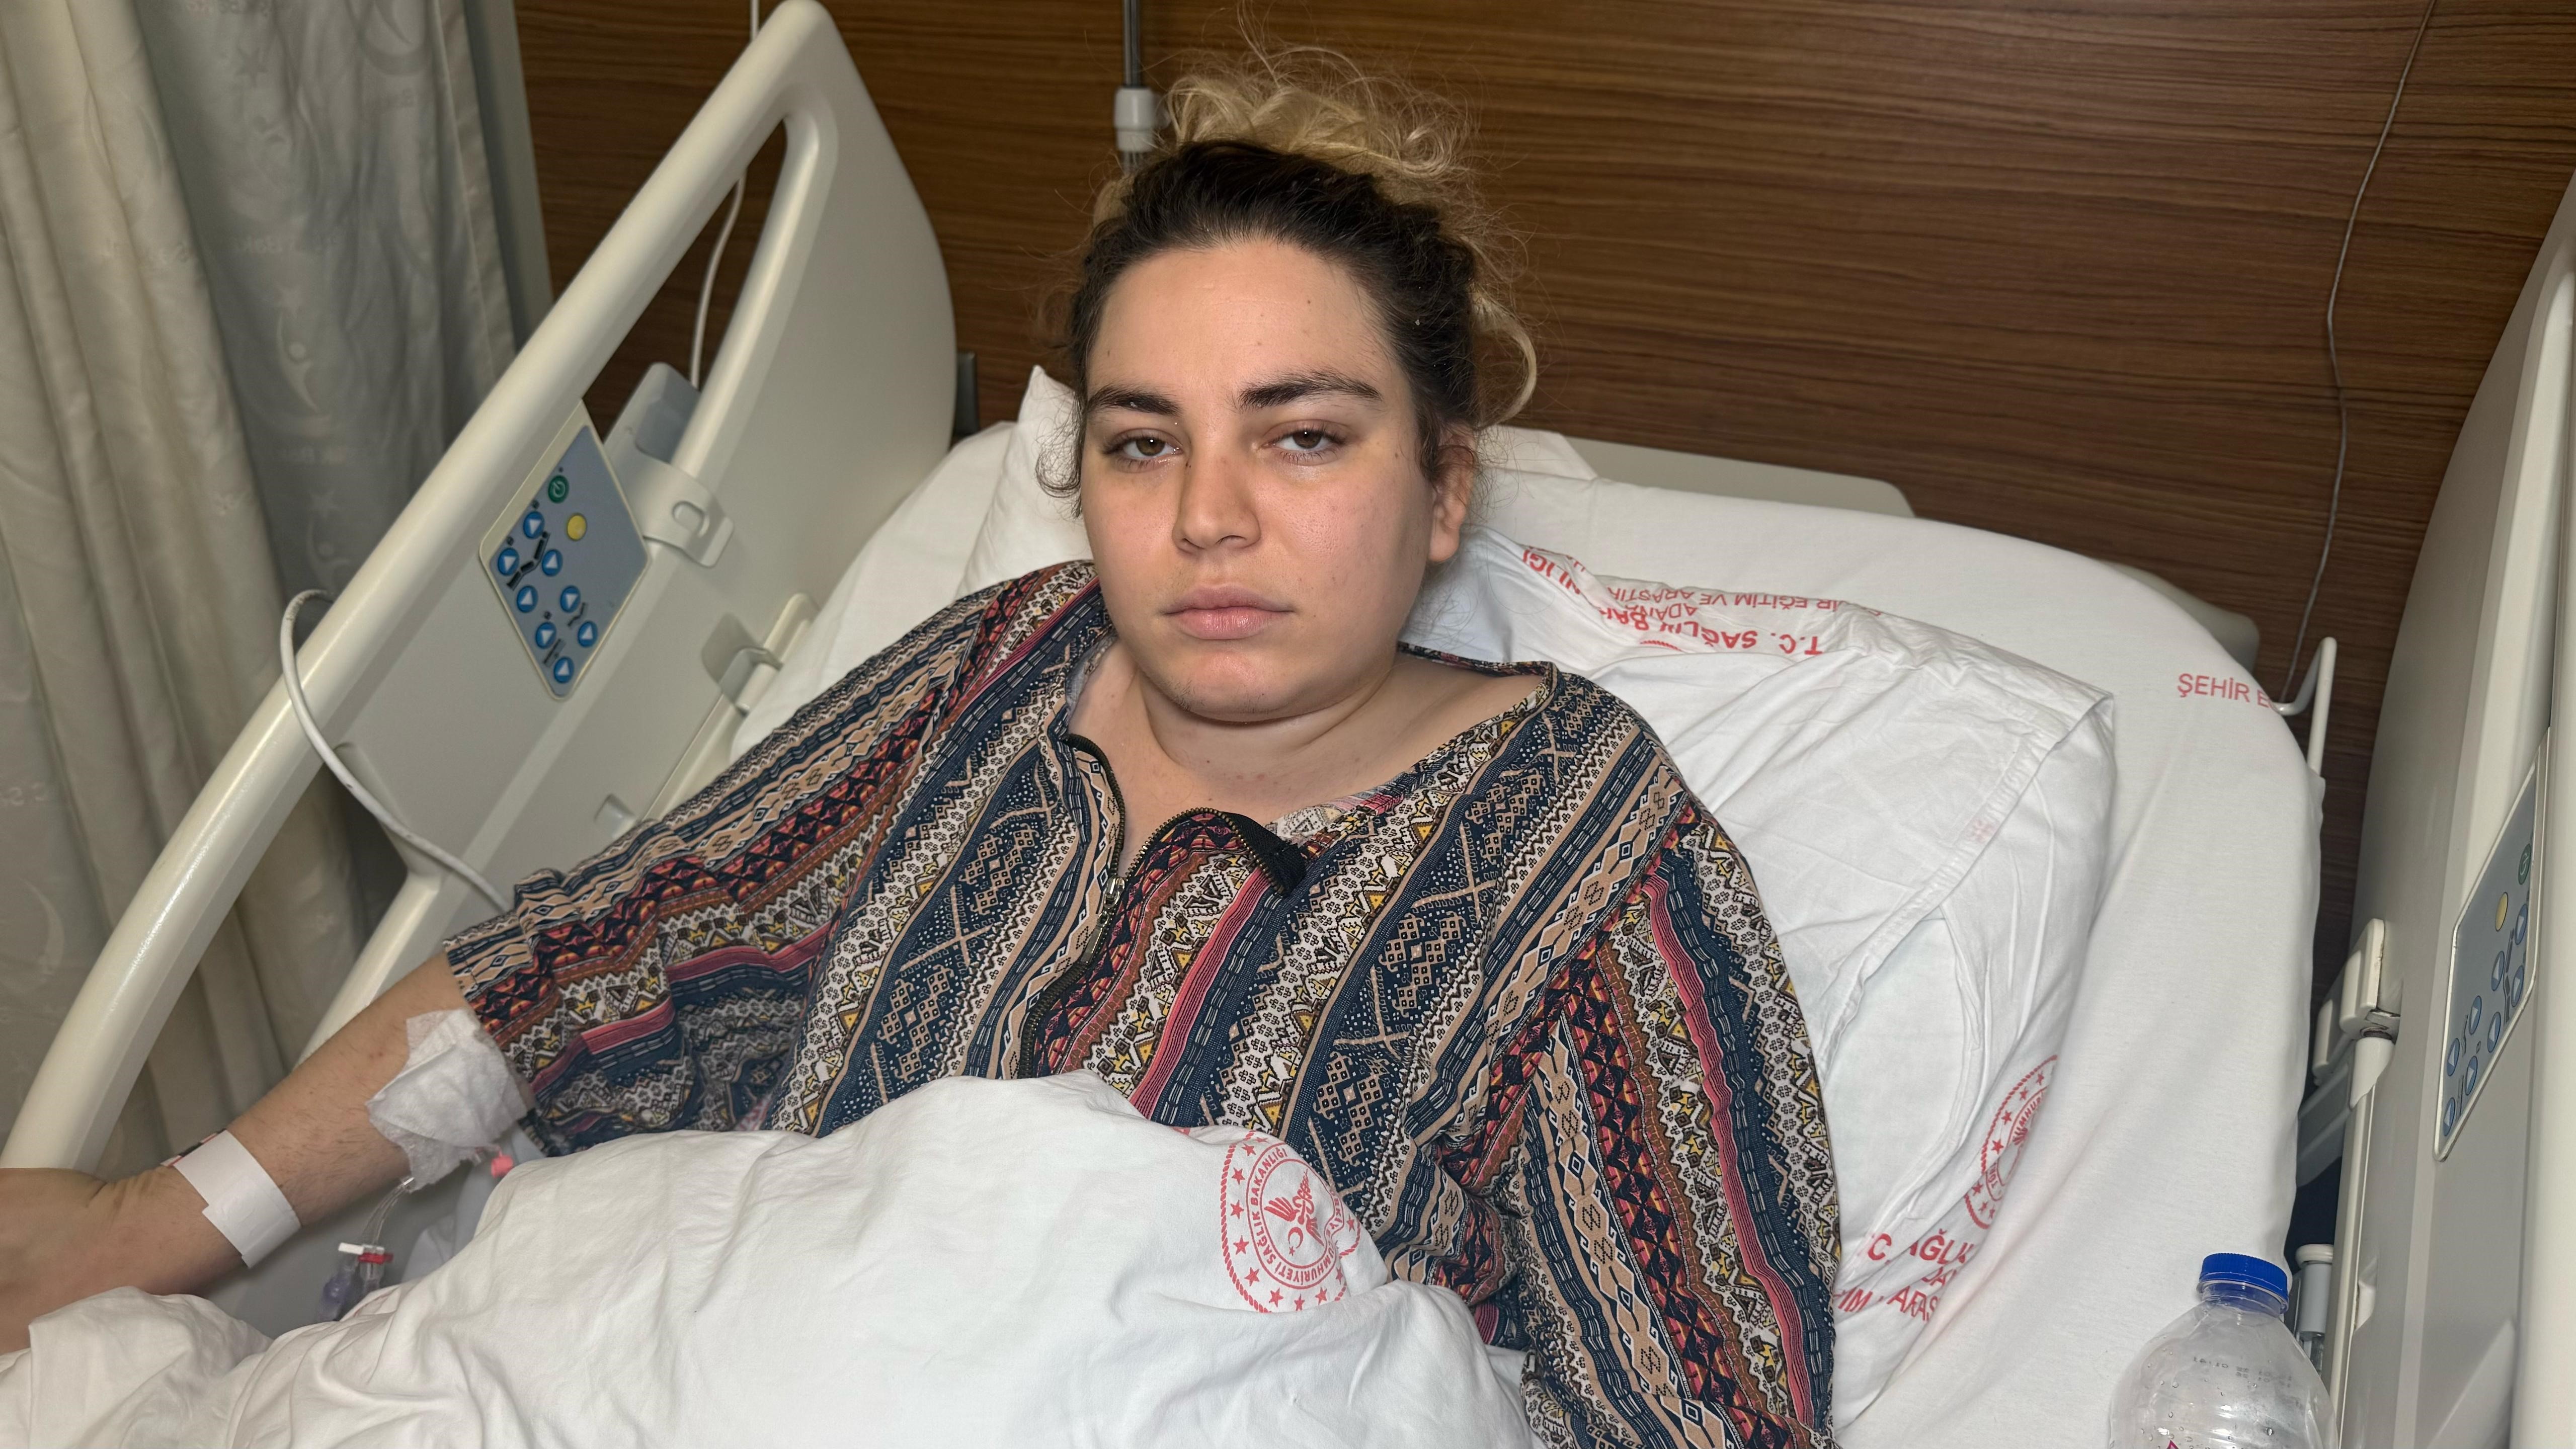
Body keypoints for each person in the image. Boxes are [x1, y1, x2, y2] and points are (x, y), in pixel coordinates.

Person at [0, 53, 1837, 1448]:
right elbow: (603, 956)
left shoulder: (1579, 848)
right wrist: (157, 1220)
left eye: (1303, 437)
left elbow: (1694, 1402)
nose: (1208, 517)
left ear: (1441, 491)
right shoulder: (1003, 673)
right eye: (1141, 441)